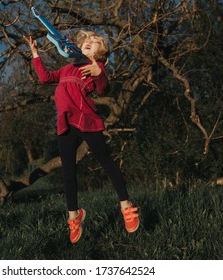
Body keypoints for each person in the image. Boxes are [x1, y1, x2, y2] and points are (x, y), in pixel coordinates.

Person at [24, 30, 139, 243]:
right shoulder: (68, 68)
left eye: (94, 42)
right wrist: (35, 53)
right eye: (86, 40)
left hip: (87, 121)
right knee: (68, 171)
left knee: (107, 163)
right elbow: (44, 78)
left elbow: (103, 90)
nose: (88, 42)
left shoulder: (96, 68)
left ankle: (126, 206)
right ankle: (74, 216)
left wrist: (99, 72)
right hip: (65, 124)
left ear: (100, 53)